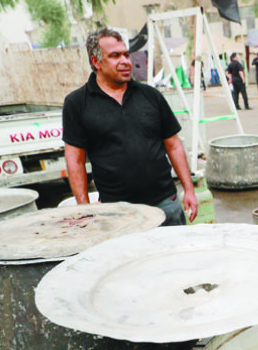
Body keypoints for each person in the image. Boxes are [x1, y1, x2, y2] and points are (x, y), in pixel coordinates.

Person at [63, 28, 197, 226]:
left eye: (126, 54)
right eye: (115, 56)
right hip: (117, 213)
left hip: (166, 203)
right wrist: (84, 209)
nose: (125, 61)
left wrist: (189, 190)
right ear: (96, 62)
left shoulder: (151, 96)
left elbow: (174, 145)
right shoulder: (77, 103)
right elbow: (75, 160)